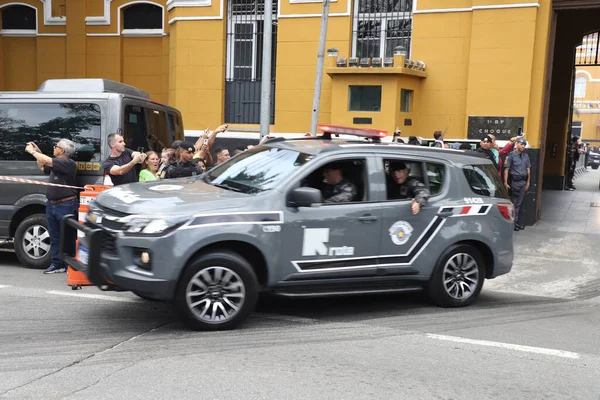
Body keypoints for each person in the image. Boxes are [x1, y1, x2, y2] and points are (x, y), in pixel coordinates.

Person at [25, 139, 79, 274]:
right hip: (52, 204)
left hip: (66, 204)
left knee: (68, 236)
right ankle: (56, 264)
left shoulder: (68, 163)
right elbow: (43, 166)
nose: (54, 148)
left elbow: (48, 161)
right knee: (54, 236)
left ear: (62, 151)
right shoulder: (57, 164)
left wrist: (32, 152)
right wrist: (38, 152)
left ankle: (68, 264)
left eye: (56, 146)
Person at [504, 137, 531, 231]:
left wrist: (528, 182)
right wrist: (505, 182)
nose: (523, 146)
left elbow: (528, 170)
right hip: (515, 181)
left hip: (523, 181)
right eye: (521, 144)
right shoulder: (511, 155)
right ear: (517, 144)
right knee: (514, 203)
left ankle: (517, 222)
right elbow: (506, 170)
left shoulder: (525, 156)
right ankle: (513, 223)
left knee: (519, 203)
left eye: (524, 145)